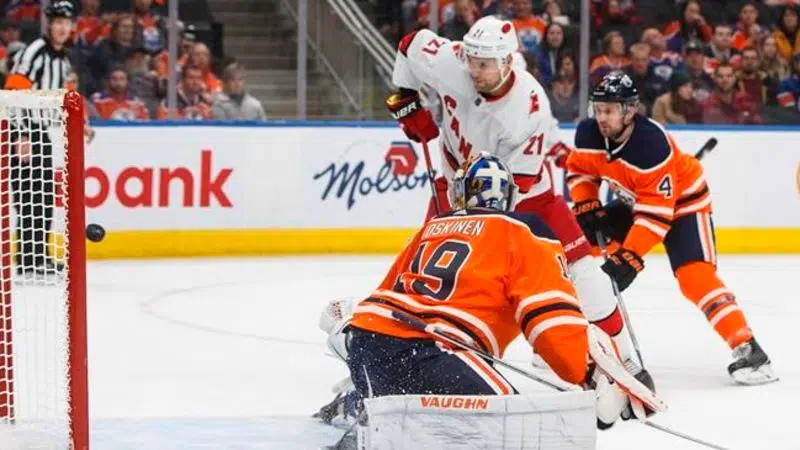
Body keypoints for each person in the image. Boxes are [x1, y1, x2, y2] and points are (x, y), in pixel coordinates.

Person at [384, 15, 650, 386]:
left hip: (528, 197)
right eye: (472, 60)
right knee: (427, 267)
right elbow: (409, 44)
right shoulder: (449, 60)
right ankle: (396, 343)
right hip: (455, 185)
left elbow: (513, 187)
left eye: (484, 64)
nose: (474, 70)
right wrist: (406, 100)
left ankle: (623, 359)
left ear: (508, 62)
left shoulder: (529, 107)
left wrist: (478, 233)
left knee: (583, 270)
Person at [315, 154, 655, 436]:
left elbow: (386, 293)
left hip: (369, 340)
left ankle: (361, 406)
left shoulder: (433, 226)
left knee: (406, 419)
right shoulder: (524, 228)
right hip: (438, 351)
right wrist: (584, 371)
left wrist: (355, 337)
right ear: (509, 197)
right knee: (513, 430)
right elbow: (548, 319)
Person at [566, 72, 777, 386]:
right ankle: (564, 332)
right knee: (578, 247)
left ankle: (748, 347)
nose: (601, 117)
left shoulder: (651, 144)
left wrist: (630, 255)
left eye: (609, 110)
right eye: (598, 109)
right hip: (636, 203)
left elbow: (656, 214)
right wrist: (587, 203)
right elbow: (579, 171)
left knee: (695, 277)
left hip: (684, 206)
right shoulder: (588, 134)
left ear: (629, 110)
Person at [4, 0, 79, 275]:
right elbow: (14, 90)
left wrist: (81, 124)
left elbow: (67, 97)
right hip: (25, 131)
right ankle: (28, 258)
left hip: (42, 133)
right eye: (57, 22)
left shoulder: (63, 59)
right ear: (49, 25)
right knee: (29, 196)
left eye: (66, 23)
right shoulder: (35, 50)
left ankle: (37, 256)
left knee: (44, 195)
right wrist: (20, 133)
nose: (62, 28)